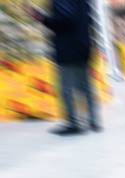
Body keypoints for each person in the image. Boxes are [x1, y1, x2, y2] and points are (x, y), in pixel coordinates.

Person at [28, 0, 101, 135]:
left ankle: (74, 124)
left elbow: (65, 20)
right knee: (85, 86)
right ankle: (94, 121)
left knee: (66, 88)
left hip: (68, 49)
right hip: (84, 46)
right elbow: (90, 20)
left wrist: (41, 17)